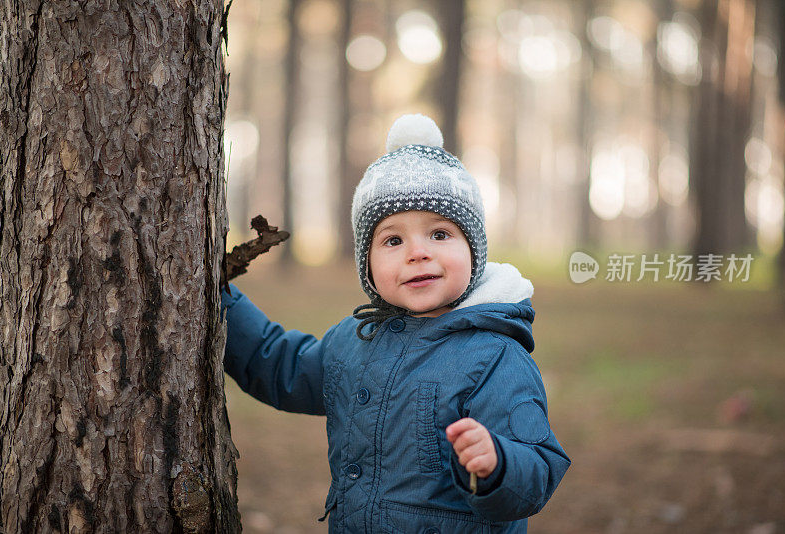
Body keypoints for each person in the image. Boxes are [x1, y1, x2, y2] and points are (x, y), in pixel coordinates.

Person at [221, 114, 570, 532]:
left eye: (440, 234)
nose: (417, 252)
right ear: (367, 266)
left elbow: (538, 466)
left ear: (473, 250)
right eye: (393, 240)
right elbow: (280, 367)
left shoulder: (495, 355)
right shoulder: (354, 341)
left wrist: (497, 463)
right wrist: (219, 299)